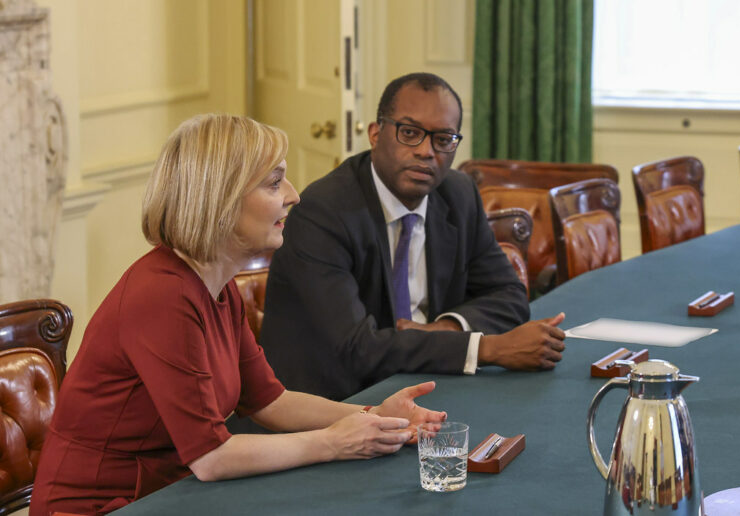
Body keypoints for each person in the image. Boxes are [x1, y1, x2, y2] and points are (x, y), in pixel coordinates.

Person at [30, 114, 447, 515]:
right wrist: (333, 443)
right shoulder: (162, 294)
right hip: (103, 507)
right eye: (274, 182)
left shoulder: (216, 283)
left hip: (174, 494)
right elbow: (211, 457)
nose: (294, 194)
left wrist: (375, 417)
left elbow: (271, 402)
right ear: (221, 200)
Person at [260, 73, 566, 401]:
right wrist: (484, 348)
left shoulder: (458, 194)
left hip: (427, 384)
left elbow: (509, 294)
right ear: (376, 134)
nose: (426, 151)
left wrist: (444, 329)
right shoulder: (324, 212)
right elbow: (355, 349)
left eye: (443, 139)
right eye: (410, 133)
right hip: (333, 403)